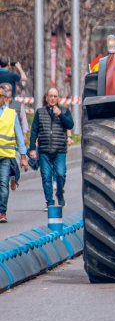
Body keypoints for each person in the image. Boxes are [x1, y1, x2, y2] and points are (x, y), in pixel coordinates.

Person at [29, 87, 73, 209]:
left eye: (55, 96)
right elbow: (34, 131)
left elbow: (70, 124)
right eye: (51, 96)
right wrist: (32, 148)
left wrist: (61, 115)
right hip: (44, 151)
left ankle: (60, 193)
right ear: (47, 97)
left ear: (58, 98)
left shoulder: (64, 110)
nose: (53, 98)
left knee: (60, 174)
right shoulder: (40, 112)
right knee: (46, 177)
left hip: (60, 150)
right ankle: (49, 202)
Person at [0, 84, 29, 223]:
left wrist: (23, 156)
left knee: (3, 185)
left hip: (6, 156)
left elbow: (19, 136)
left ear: (5, 99)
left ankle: (2, 212)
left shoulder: (11, 114)